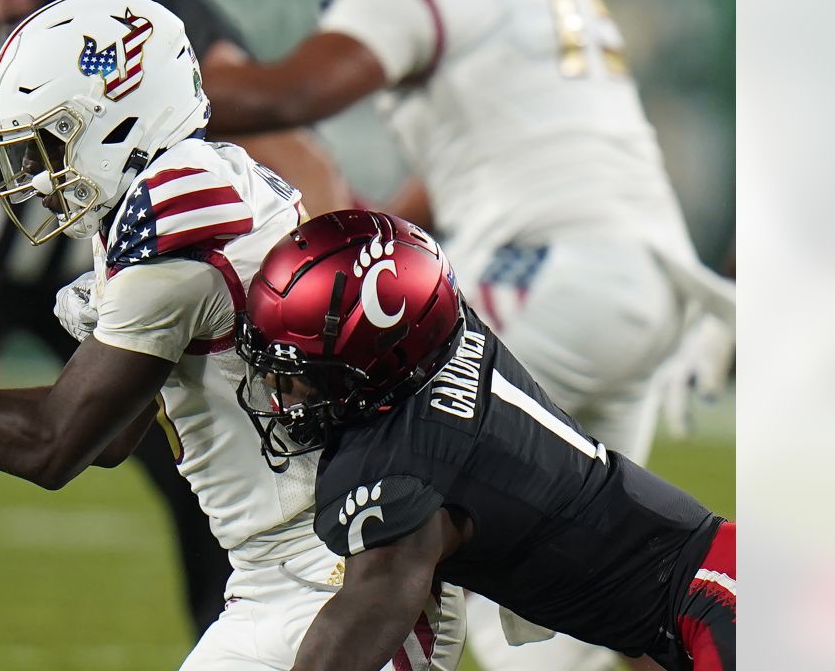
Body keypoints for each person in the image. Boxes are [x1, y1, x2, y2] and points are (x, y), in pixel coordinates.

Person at [0, 0, 464, 671]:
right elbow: (106, 433)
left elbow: (54, 444)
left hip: (349, 572)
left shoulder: (181, 213)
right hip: (296, 573)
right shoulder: (170, 192)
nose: (32, 178)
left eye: (45, 145)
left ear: (117, 122)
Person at [196, 0, 735, 667]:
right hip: (638, 278)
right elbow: (478, 150)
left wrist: (141, 94)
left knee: (372, 499)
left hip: (543, 272)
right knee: (590, 587)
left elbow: (289, 96)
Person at [235, 210, 735, 671]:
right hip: (696, 600)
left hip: (722, 599)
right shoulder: (438, 341)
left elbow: (371, 603)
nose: (281, 393)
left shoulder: (409, 462)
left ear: (371, 361)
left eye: (296, 373)